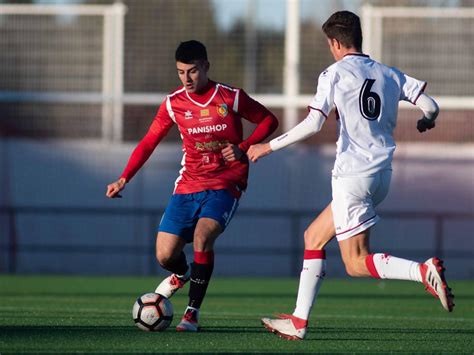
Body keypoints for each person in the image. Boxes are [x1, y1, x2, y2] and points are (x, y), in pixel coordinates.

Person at [247, 11, 454, 341]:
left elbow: (314, 124)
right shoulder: (388, 73)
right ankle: (299, 321)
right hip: (381, 176)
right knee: (313, 237)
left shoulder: (333, 74)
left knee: (356, 263)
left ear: (334, 42)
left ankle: (421, 270)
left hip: (352, 176)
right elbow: (430, 105)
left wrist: (267, 147)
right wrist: (426, 121)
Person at [106, 40, 278, 332]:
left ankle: (192, 312)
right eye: (180, 72)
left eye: (192, 71)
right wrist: (125, 177)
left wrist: (244, 146)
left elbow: (268, 120)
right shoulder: (174, 103)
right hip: (188, 184)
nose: (186, 79)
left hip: (226, 182)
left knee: (202, 237)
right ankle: (182, 274)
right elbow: (149, 142)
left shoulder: (229, 97)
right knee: (164, 255)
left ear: (206, 67)